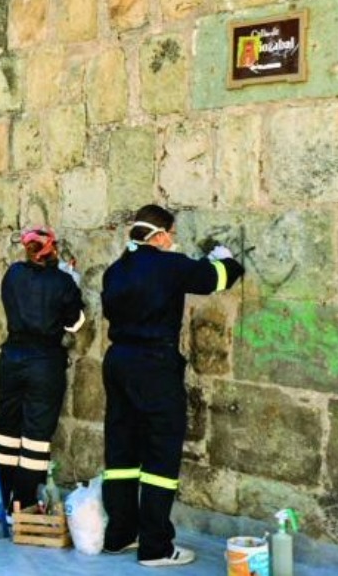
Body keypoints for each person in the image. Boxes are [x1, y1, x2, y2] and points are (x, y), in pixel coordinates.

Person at [100, 204, 244, 567]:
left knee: (121, 451)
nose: (173, 240)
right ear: (161, 234)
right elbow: (218, 278)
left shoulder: (115, 271)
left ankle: (119, 536)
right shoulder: (170, 264)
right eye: (171, 234)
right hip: (154, 364)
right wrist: (226, 259)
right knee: (160, 453)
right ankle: (156, 548)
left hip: (118, 362)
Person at [0, 227, 85, 512]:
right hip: (44, 362)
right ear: (52, 249)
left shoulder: (13, 274)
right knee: (35, 437)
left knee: (5, 429)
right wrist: (73, 282)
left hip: (12, 359)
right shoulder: (63, 282)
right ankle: (23, 502)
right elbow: (75, 323)